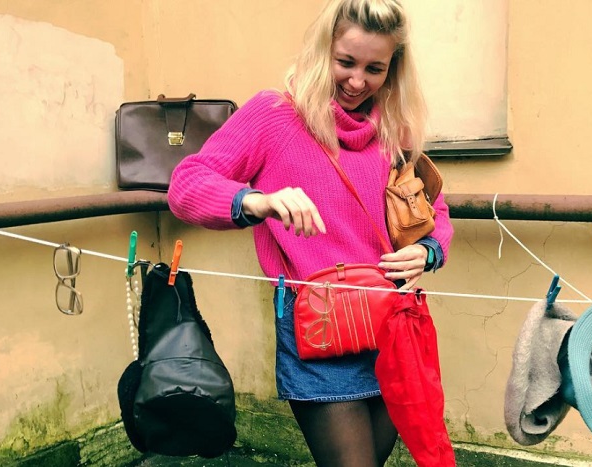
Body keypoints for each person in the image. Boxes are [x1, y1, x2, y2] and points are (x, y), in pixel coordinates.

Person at [168, 0, 454, 465]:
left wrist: (429, 250)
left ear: (393, 69)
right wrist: (256, 201)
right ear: (323, 51)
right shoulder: (274, 115)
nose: (357, 81)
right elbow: (185, 185)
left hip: (394, 325)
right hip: (319, 329)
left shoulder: (394, 129)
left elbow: (435, 211)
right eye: (346, 62)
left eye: (374, 68)